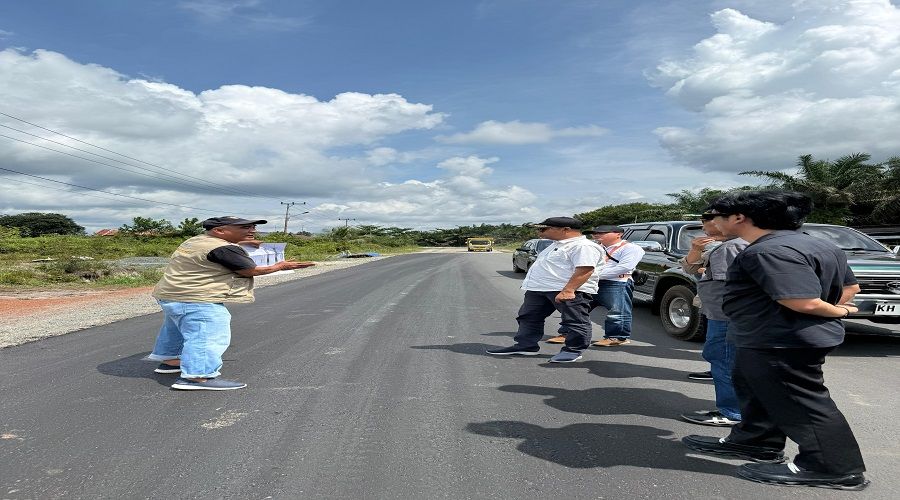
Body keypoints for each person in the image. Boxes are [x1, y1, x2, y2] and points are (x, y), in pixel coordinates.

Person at [682, 191, 868, 490]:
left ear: (739, 218)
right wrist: (831, 308)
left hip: (780, 339)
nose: (713, 223)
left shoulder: (767, 251)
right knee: (757, 391)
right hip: (765, 336)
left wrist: (837, 311)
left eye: (717, 216)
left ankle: (834, 468)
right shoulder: (817, 244)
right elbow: (850, 286)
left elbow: (803, 301)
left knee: (800, 402)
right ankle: (755, 441)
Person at [147, 216, 315, 391]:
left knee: (177, 328)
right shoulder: (224, 248)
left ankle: (170, 361)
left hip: (171, 293)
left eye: (252, 227)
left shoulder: (196, 240)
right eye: (244, 227)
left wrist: (245, 242)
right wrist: (281, 266)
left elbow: (216, 253)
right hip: (197, 297)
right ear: (219, 230)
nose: (252, 230)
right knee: (207, 333)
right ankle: (197, 376)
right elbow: (251, 270)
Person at [487, 217, 602, 363]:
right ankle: (525, 345)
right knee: (528, 317)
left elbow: (585, 269)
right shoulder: (556, 244)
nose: (539, 232)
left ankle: (573, 350)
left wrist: (569, 290)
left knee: (574, 321)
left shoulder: (583, 246)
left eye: (544, 228)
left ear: (565, 230)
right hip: (540, 289)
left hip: (566, 290)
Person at [679, 212, 747, 427]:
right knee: (721, 357)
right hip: (719, 312)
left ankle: (732, 412)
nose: (705, 227)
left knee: (724, 359)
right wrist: (696, 251)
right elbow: (691, 268)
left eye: (709, 221)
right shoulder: (721, 244)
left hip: (725, 314)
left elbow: (726, 285)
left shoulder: (733, 246)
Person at [588, 225, 644, 346]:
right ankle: (569, 333)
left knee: (617, 311)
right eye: (594, 233)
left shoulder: (631, 248)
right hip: (592, 282)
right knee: (578, 308)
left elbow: (624, 267)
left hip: (617, 282)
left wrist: (593, 275)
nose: (596, 235)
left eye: (601, 233)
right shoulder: (595, 247)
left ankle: (617, 337)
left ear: (618, 234)